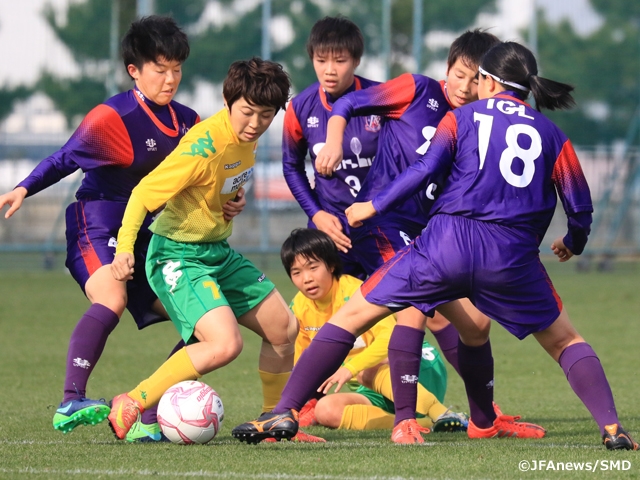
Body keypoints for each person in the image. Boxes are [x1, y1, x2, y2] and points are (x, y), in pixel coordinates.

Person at [233, 42, 638, 451]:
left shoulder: (461, 119)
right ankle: (611, 428)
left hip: (447, 244)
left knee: (354, 316)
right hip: (512, 257)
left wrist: (373, 204)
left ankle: (284, 409)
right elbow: (580, 208)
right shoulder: (554, 136)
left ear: (490, 81)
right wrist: (573, 242)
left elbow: (425, 168)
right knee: (565, 341)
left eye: (478, 78)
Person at [0, 16, 236, 442]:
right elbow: (63, 158)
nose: (170, 79)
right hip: (99, 221)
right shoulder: (114, 116)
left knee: (203, 324)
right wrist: (22, 188)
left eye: (177, 69)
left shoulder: (189, 120)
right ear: (135, 70)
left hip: (152, 236)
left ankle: (144, 410)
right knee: (112, 294)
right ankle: (73, 397)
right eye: (159, 69)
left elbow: (202, 179)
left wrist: (226, 201)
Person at [107, 57, 322, 444]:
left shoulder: (247, 139)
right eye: (247, 112)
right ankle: (133, 402)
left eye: (266, 115)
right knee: (225, 345)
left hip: (215, 251)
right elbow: (143, 194)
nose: (255, 123)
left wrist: (233, 198)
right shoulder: (202, 146)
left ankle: (273, 422)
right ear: (228, 101)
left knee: (283, 326)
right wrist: (124, 249)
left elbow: (224, 181)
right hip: (177, 254)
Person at [311, 29, 501, 442]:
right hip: (379, 223)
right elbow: (347, 103)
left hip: (426, 235)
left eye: (476, 80)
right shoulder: (417, 90)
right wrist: (334, 138)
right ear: (447, 68)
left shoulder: (478, 123)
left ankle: (483, 413)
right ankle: (403, 419)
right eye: (459, 75)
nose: (464, 88)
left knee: (476, 323)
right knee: (412, 309)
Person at [281, 228, 467, 434]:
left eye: (313, 267)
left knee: (366, 372)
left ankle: (441, 412)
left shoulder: (356, 292)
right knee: (326, 411)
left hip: (416, 367)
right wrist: (301, 404)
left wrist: (350, 368)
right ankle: (428, 426)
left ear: (331, 265)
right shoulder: (298, 306)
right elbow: (303, 361)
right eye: (296, 272)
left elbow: (388, 340)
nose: (306, 278)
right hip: (370, 388)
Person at [282, 16, 381, 279]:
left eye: (340, 61)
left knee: (412, 308)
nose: (329, 70)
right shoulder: (300, 107)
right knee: (333, 312)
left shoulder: (383, 99)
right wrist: (317, 215)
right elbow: (291, 167)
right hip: (332, 228)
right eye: (321, 60)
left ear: (357, 60)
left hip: (383, 224)